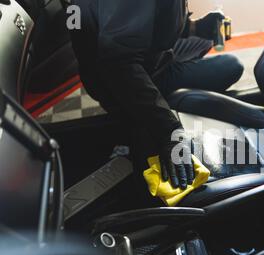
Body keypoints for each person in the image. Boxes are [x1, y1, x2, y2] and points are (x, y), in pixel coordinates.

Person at [70, 0, 244, 191]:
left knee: (206, 39)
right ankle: (148, 103)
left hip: (139, 54)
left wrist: (195, 27)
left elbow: (151, 16)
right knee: (230, 66)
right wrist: (168, 129)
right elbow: (119, 63)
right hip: (121, 77)